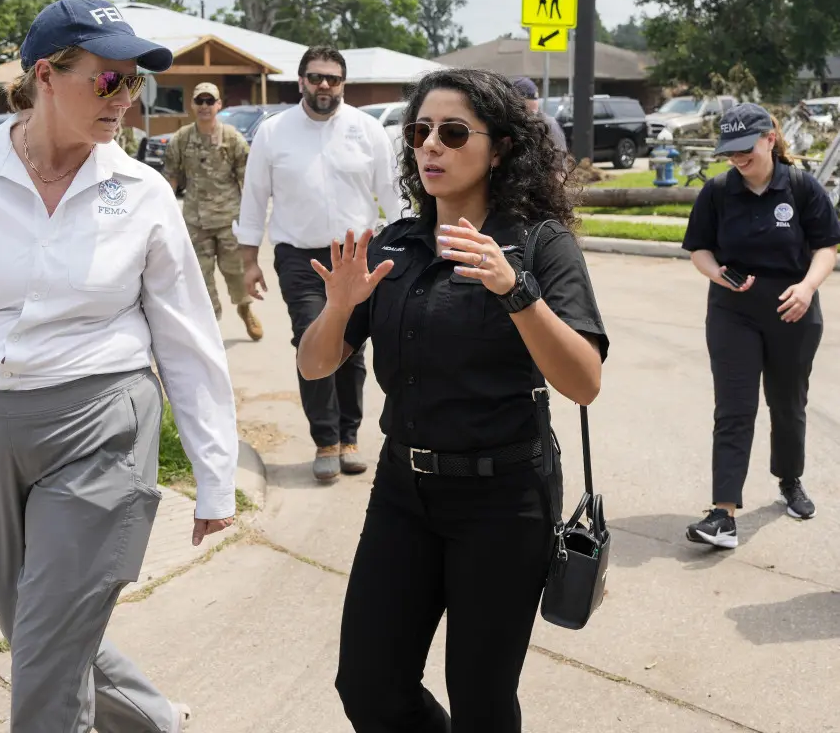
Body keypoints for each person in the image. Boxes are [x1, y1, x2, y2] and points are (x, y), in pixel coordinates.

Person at [0, 0, 239, 733]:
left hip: (103, 423)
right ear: (46, 75)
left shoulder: (142, 191)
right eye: (109, 80)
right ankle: (156, 722)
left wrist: (213, 471)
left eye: (136, 86)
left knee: (46, 645)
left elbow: (188, 339)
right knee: (38, 629)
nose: (126, 101)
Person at [296, 68, 608, 732]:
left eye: (454, 132)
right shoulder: (396, 245)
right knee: (369, 686)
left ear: (499, 150)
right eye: (421, 132)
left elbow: (583, 381)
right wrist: (341, 307)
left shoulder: (539, 245)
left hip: (505, 498)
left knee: (482, 701)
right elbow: (315, 362)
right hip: (404, 491)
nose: (431, 145)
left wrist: (515, 289)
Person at [235, 46, 405, 480]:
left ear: (343, 83)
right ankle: (325, 440)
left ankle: (349, 437)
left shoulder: (368, 131)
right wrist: (249, 261)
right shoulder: (274, 133)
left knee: (351, 347)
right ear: (301, 82)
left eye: (332, 78)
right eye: (315, 77)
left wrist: (409, 249)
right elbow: (254, 198)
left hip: (357, 255)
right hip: (300, 259)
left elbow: (392, 197)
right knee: (311, 340)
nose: (324, 85)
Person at [682, 103, 840, 548]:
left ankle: (790, 480)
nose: (736, 158)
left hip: (794, 310)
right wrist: (716, 272)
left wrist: (807, 288)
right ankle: (723, 514)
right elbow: (699, 249)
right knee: (734, 408)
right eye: (728, 150)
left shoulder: (802, 187)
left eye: (744, 148)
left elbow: (827, 247)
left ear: (770, 138)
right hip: (733, 310)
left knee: (787, 403)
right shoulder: (717, 192)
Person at [162, 81, 263, 340]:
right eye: (200, 101)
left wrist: (252, 221)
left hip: (230, 220)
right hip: (196, 222)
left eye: (210, 101)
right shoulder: (181, 139)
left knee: (236, 272)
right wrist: (164, 213)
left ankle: (244, 309)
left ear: (219, 104)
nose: (205, 106)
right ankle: (211, 326)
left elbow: (248, 180)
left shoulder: (232, 138)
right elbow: (171, 177)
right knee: (200, 278)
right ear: (192, 105)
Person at [510, 76, 568, 158]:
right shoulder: (509, 122)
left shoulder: (548, 125)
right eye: (525, 109)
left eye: (535, 103)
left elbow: (558, 161)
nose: (533, 114)